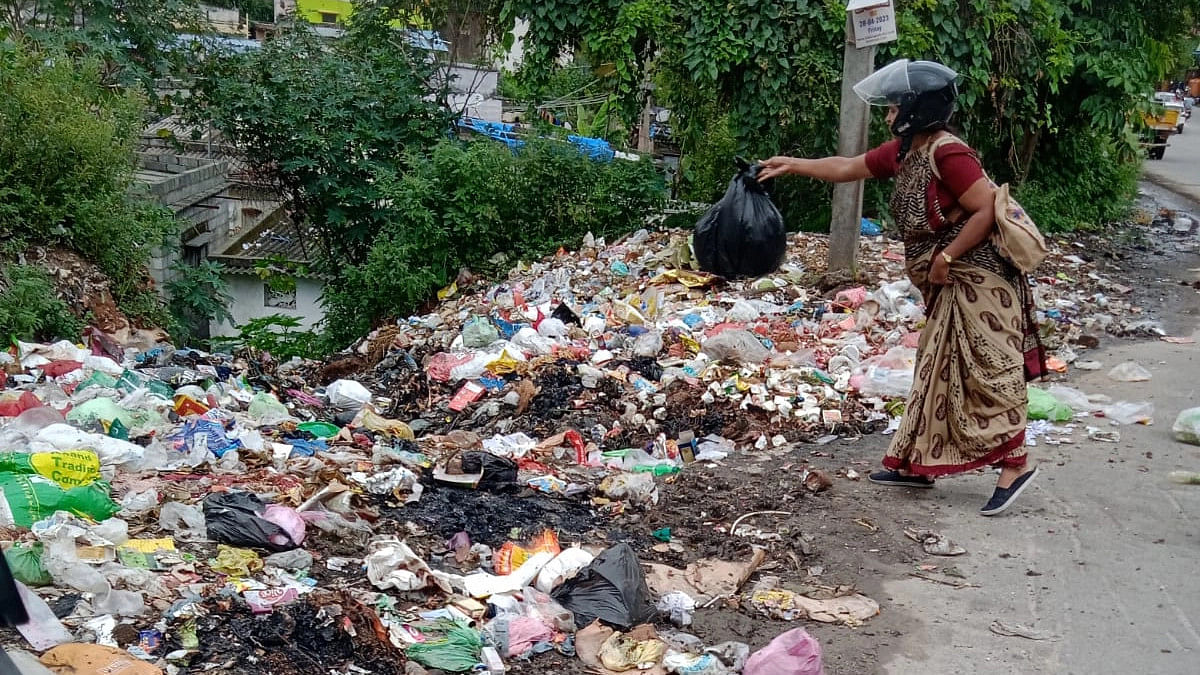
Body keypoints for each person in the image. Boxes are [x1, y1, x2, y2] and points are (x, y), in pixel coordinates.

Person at [757, 59, 1043, 515]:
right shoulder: (906, 151)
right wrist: (793, 165)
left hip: (980, 278)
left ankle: (1016, 463)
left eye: (894, 110)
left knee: (989, 367)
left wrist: (947, 257)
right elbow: (849, 166)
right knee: (937, 367)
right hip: (946, 281)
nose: (889, 117)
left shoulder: (949, 153)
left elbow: (988, 208)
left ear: (917, 110)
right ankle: (917, 463)